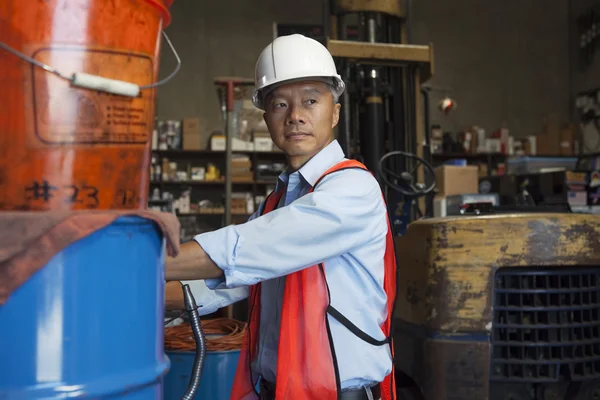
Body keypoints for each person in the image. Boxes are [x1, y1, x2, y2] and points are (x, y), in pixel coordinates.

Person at [165, 34, 397, 400]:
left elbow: (249, 247)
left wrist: (141, 262)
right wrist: (134, 293)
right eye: (279, 104)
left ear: (335, 112)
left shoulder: (352, 189)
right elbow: (227, 283)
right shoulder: (277, 203)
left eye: (310, 101)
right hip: (275, 390)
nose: (296, 116)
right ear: (267, 119)